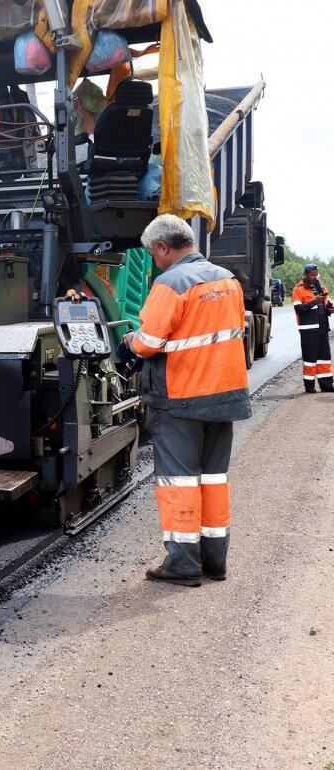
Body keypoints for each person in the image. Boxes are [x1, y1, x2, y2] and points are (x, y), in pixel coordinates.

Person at [123, 214, 251, 587]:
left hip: (181, 400)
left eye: (153, 253)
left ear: (163, 247)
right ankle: (214, 562)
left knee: (179, 481)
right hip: (223, 397)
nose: (154, 260)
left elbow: (148, 343)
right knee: (213, 480)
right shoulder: (227, 281)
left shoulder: (170, 283)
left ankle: (182, 565)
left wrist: (129, 341)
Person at [291, 263, 334, 393]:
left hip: (322, 329)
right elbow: (299, 308)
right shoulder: (298, 290)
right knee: (310, 359)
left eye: (316, 275)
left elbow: (326, 305)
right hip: (308, 331)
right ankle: (309, 387)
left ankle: (327, 385)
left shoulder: (320, 287)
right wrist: (314, 301)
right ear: (305, 274)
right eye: (312, 275)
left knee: (324, 358)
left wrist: (330, 309)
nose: (314, 277)